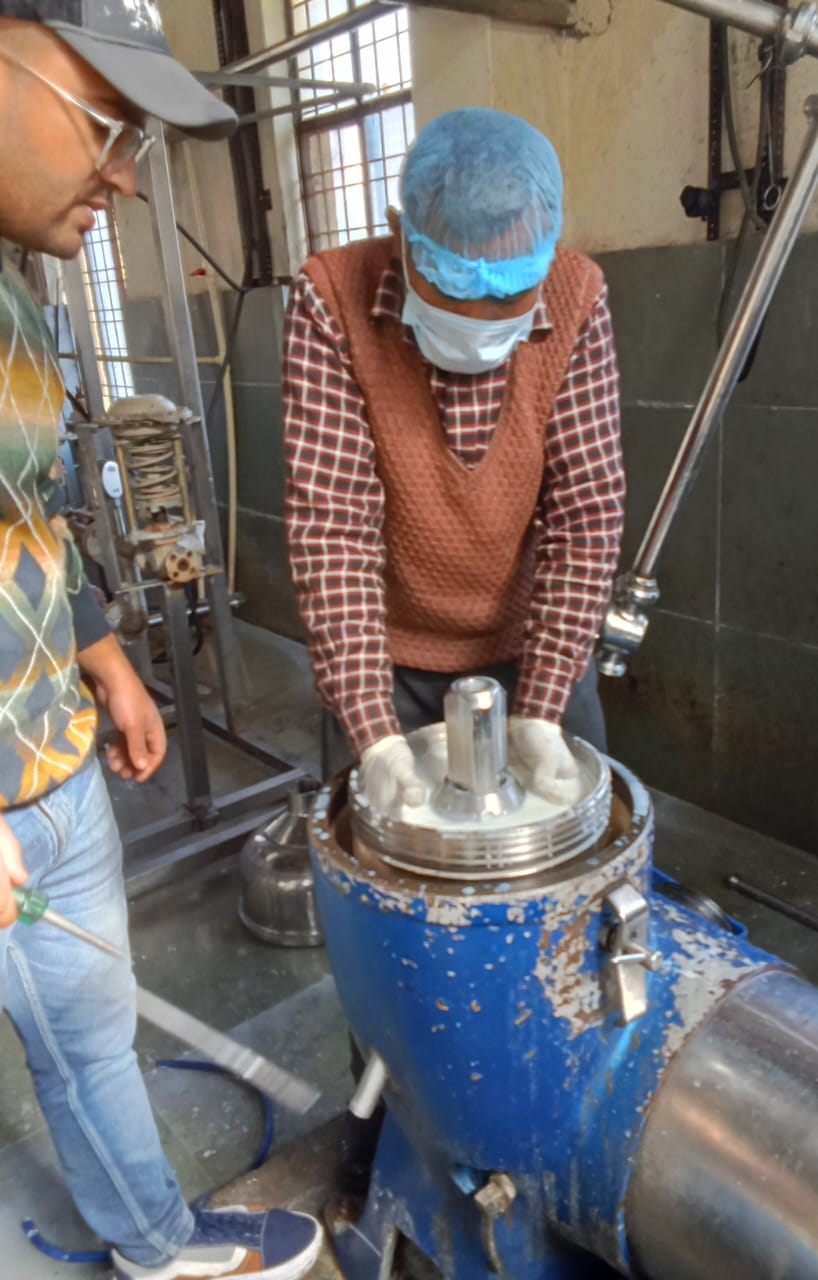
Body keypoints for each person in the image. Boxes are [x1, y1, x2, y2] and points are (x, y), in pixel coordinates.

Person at [0, 5, 322, 1278]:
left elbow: (28, 518)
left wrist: (108, 663)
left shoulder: (15, 298)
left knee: (85, 1038)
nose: (127, 175)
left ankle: (152, 1243)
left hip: (51, 765)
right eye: (107, 123)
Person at [283, 107, 625, 810]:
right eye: (455, 288)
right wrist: (374, 736)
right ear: (401, 237)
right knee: (384, 841)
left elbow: (585, 513)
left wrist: (543, 707)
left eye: (509, 294)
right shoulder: (330, 297)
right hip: (385, 660)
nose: (482, 320)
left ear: (546, 252)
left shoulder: (576, 293)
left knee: (567, 837)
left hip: (538, 647)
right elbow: (332, 530)